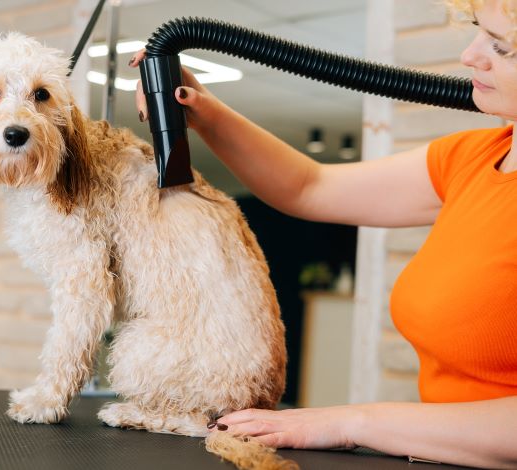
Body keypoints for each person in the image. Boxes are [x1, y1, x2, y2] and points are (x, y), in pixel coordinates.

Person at [129, 0, 517, 468]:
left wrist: (349, 423)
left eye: (502, 47)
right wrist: (204, 114)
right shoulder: (473, 160)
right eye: (478, 31)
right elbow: (309, 188)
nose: (470, 56)